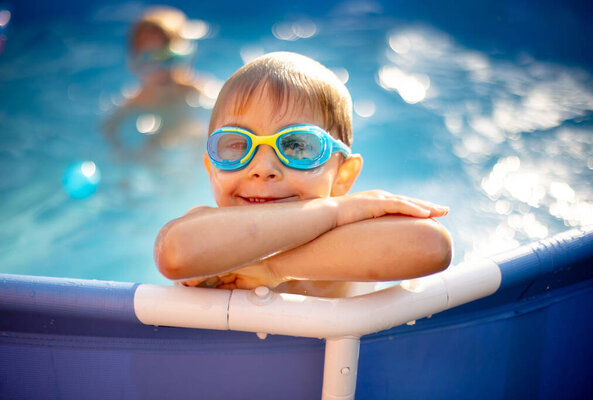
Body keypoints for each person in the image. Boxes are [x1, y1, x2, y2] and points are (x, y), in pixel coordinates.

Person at [154, 52, 452, 298]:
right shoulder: (206, 229)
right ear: (211, 168)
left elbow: (431, 245)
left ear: (343, 176)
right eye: (237, 145)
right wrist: (337, 210)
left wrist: (273, 268)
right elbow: (174, 253)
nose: (263, 168)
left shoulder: (349, 232)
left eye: (296, 146)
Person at [103, 6, 209, 160]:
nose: (159, 71)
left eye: (166, 60)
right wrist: (120, 150)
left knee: (198, 138)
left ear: (181, 57)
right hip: (157, 140)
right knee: (149, 150)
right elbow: (109, 126)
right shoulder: (138, 98)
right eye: (149, 61)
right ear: (136, 63)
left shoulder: (192, 88)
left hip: (189, 134)